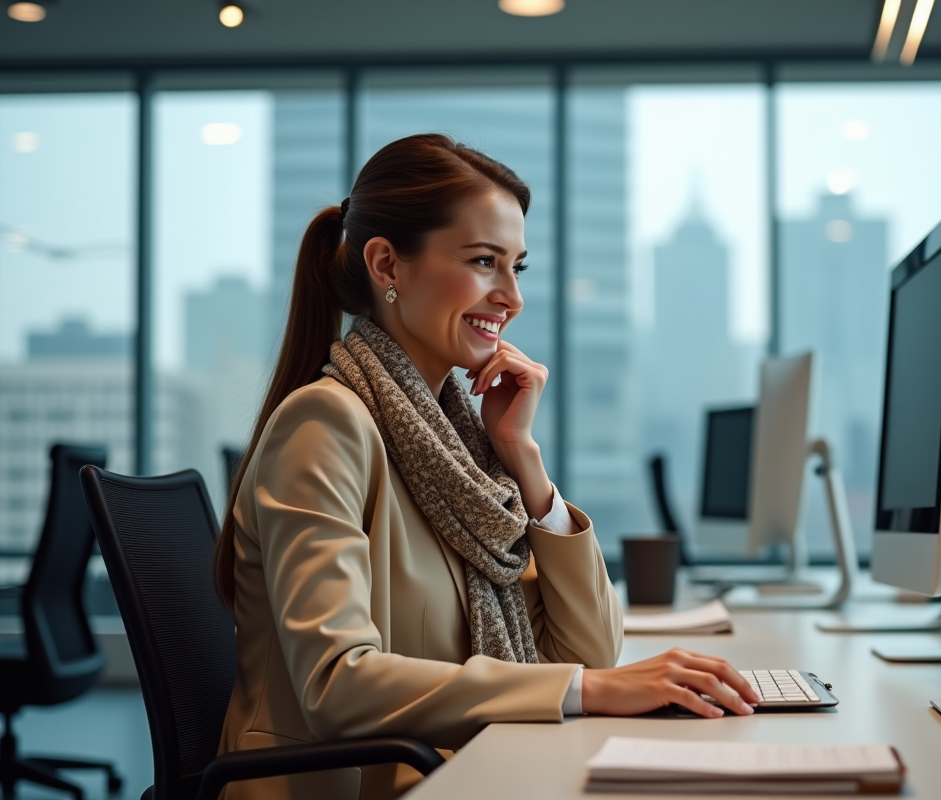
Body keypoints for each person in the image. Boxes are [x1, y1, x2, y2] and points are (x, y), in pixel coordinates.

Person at [214, 133, 759, 799]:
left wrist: (525, 464)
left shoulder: (459, 448)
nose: (511, 297)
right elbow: (337, 682)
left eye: (517, 268)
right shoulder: (326, 426)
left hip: (454, 771)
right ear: (387, 265)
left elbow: (588, 652)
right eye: (482, 262)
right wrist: (592, 691)